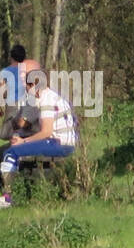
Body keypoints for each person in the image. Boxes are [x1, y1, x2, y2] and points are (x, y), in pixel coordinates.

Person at [0, 69, 77, 207]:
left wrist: (23, 142)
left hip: (57, 143)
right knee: (16, 149)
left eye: (27, 87)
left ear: (32, 86)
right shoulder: (54, 96)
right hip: (64, 142)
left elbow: (46, 132)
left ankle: (8, 197)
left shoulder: (46, 99)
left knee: (11, 153)